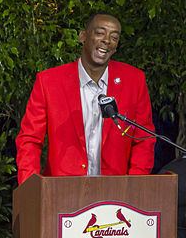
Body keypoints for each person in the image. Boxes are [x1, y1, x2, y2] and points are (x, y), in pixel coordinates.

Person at [16, 12, 155, 185]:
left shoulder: (134, 80)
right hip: (62, 192)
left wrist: (134, 185)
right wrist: (31, 188)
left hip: (116, 193)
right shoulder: (49, 82)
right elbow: (29, 140)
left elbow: (144, 138)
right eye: (100, 33)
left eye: (114, 37)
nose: (107, 40)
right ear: (83, 36)